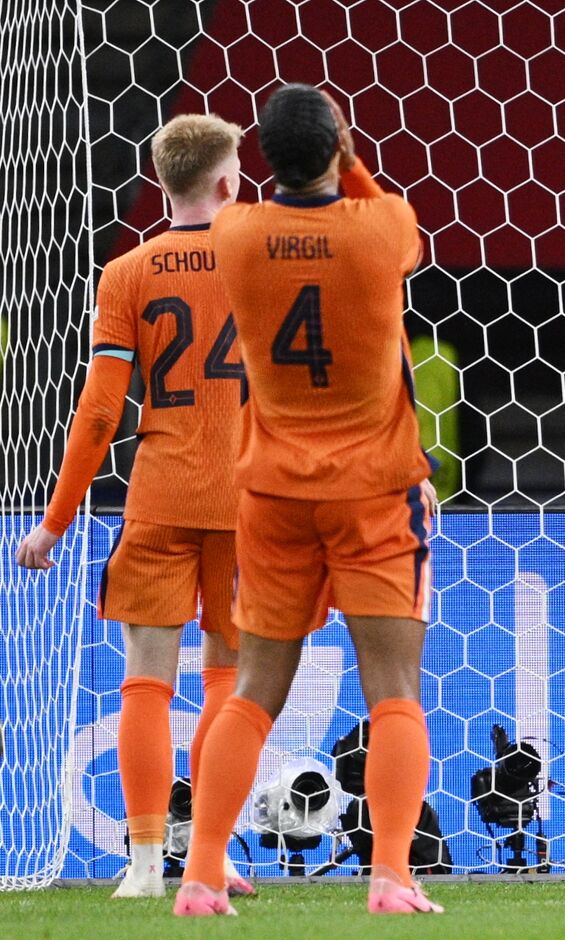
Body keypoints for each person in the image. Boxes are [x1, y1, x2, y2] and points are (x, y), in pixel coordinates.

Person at [171, 85, 439, 917]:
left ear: (260, 161)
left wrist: (312, 156)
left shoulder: (236, 233)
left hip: (273, 494)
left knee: (252, 689)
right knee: (392, 688)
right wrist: (350, 158)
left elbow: (269, 203)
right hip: (374, 492)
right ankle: (391, 876)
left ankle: (202, 875)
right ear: (339, 145)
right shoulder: (382, 225)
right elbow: (400, 229)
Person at [15, 114, 255, 900]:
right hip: (252, 497)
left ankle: (146, 864)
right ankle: (209, 862)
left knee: (145, 683)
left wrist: (55, 520)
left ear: (163, 181)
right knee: (230, 679)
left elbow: (97, 413)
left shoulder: (127, 273)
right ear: (227, 181)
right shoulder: (265, 260)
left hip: (159, 495)